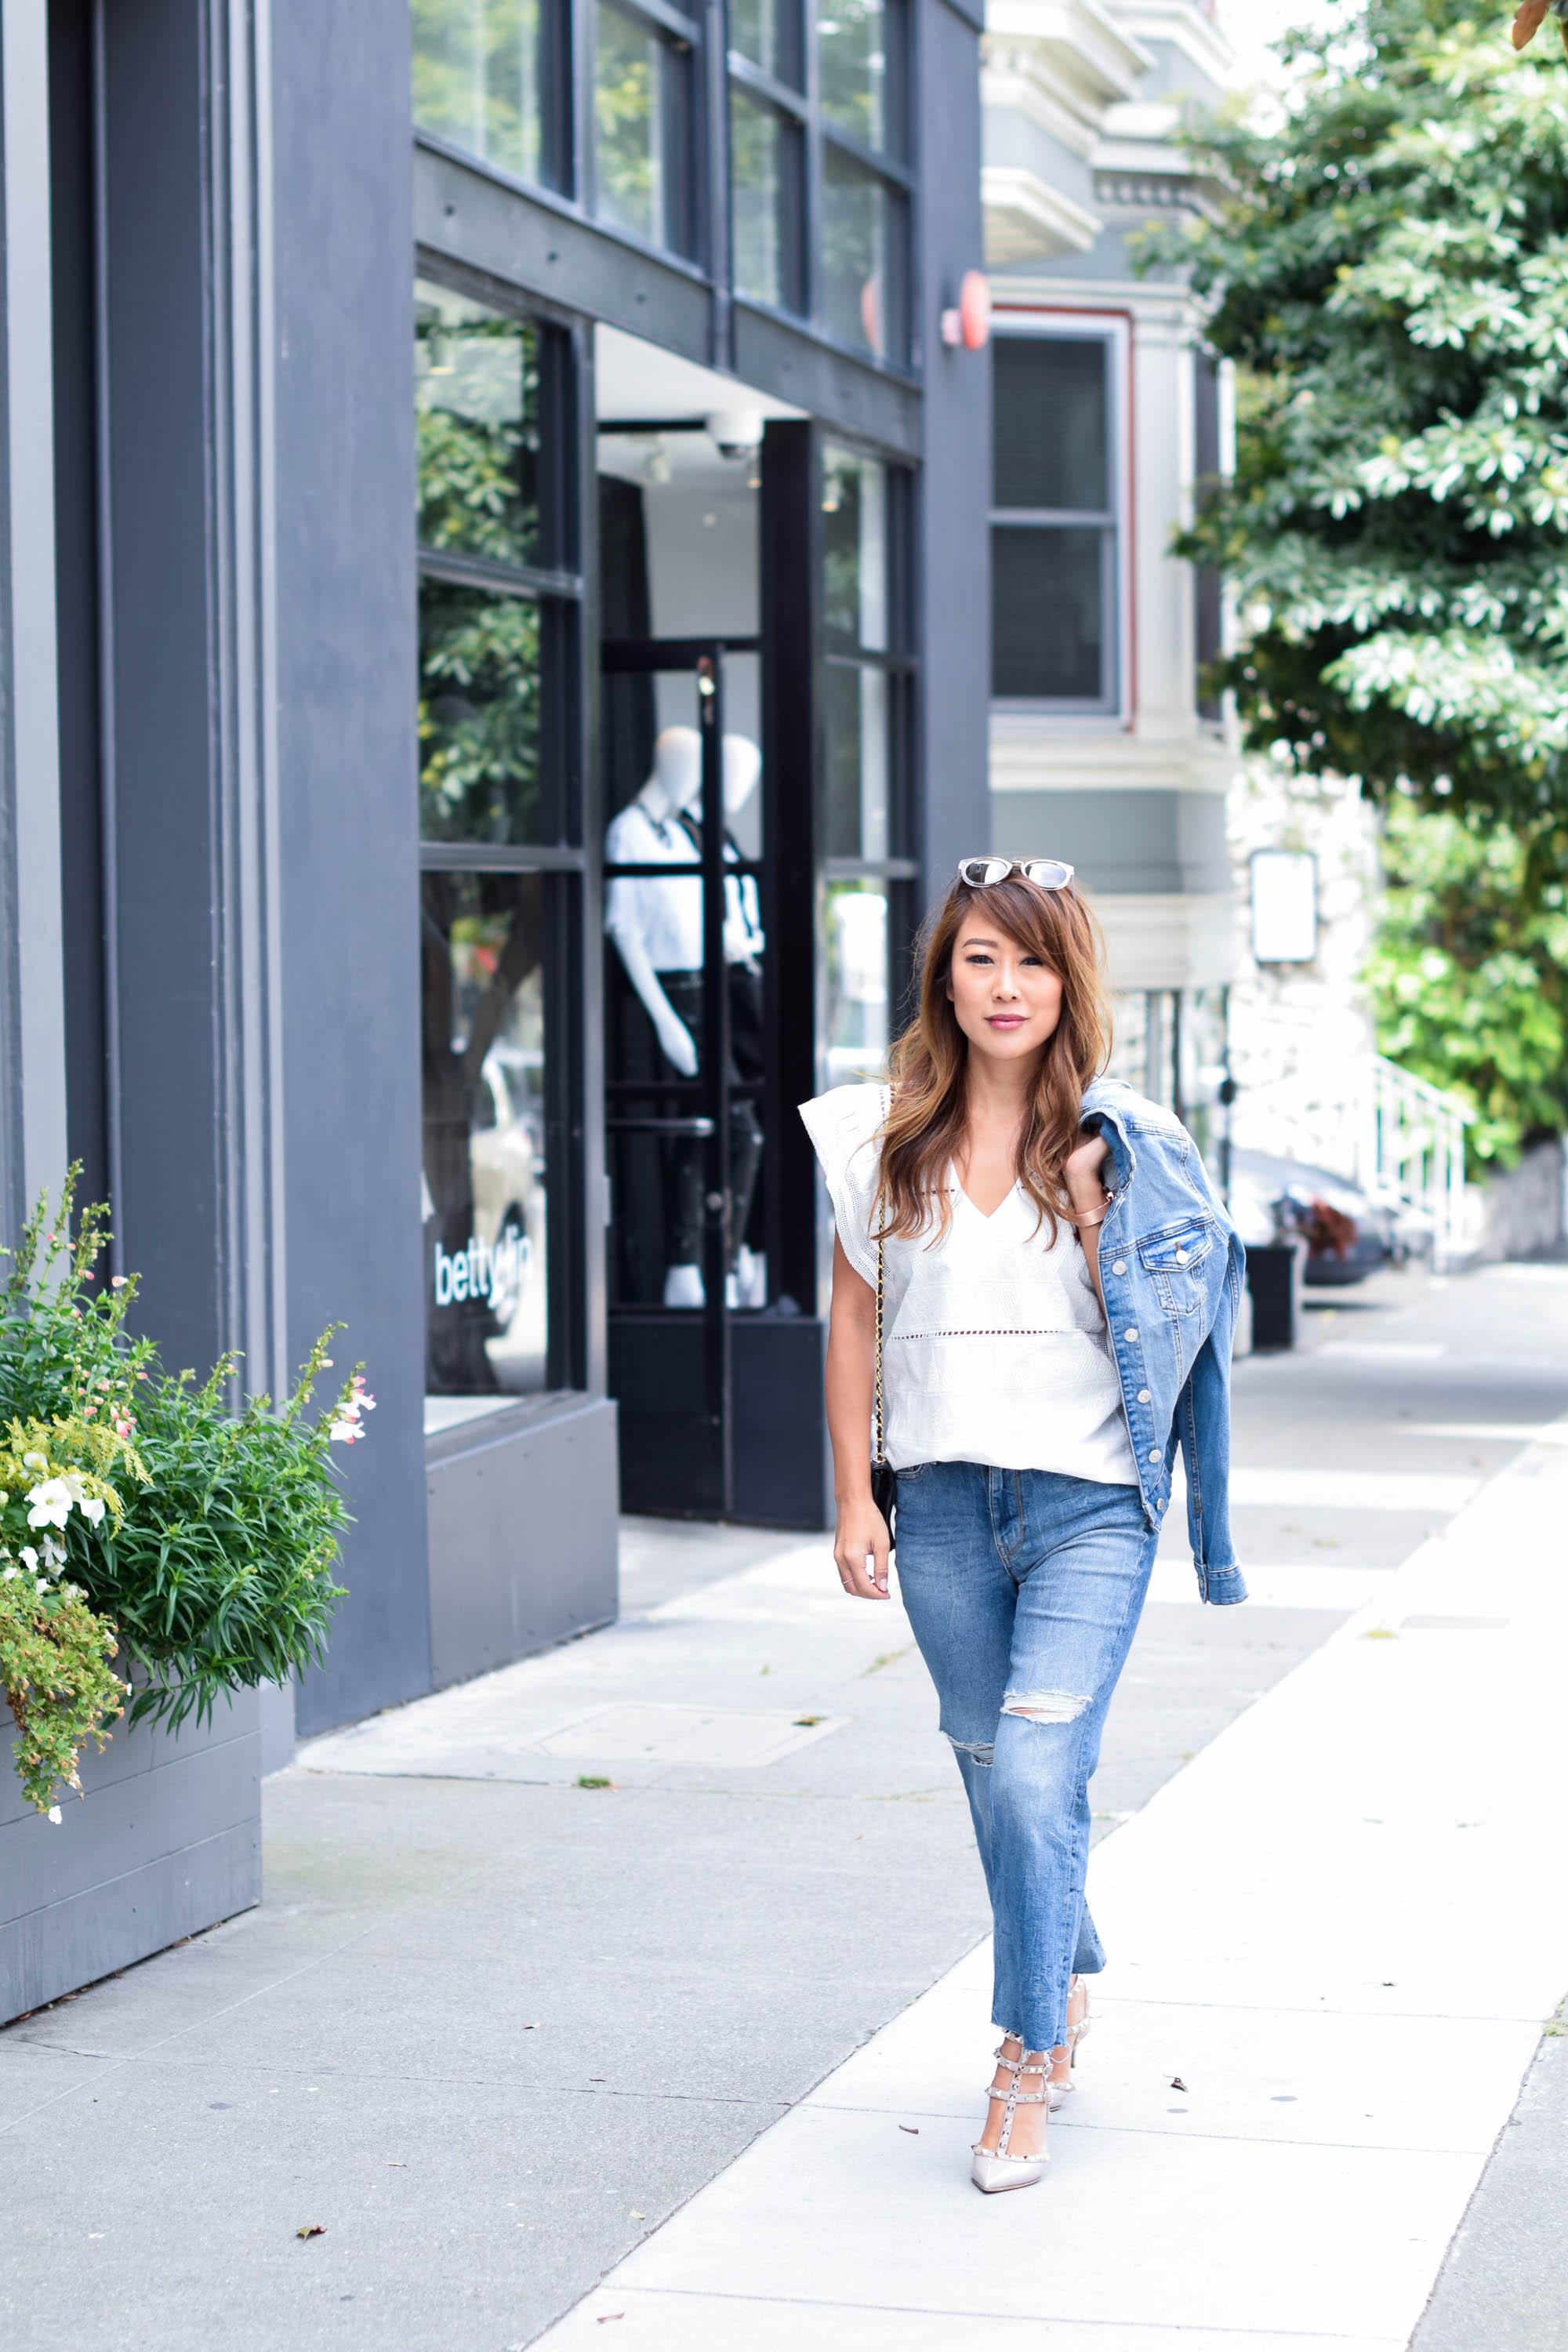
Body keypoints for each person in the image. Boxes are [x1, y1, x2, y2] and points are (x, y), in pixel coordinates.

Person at [800, 857, 1246, 2195]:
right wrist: (850, 1496)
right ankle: (1071, 1953)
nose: (1008, 987)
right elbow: (854, 1323)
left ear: (1071, 983)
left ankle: (1025, 2053)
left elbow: (1185, 1325)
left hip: (1089, 1505)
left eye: (1035, 962)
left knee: (1042, 1773)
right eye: (984, 957)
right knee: (996, 1772)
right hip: (938, 1504)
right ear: (946, 971)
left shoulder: (1126, 1140)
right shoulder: (877, 1134)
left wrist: (1114, 1223)